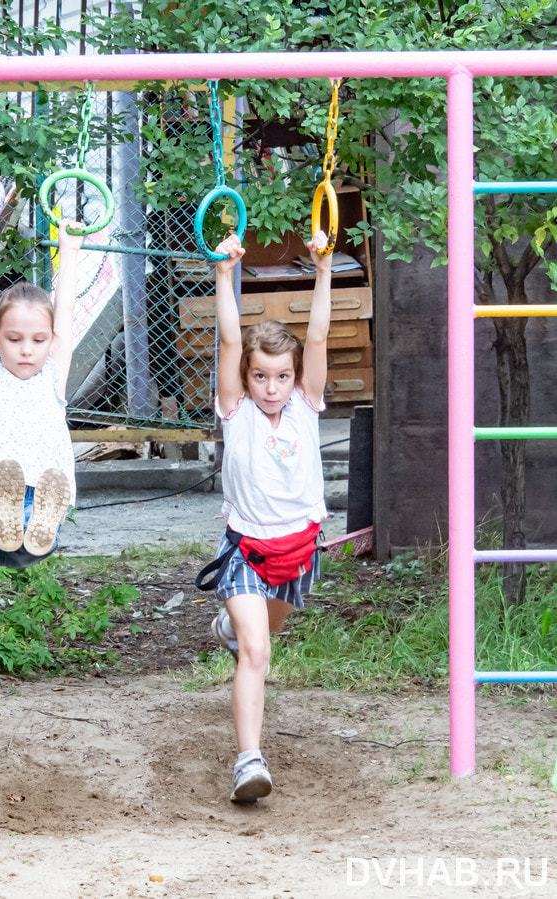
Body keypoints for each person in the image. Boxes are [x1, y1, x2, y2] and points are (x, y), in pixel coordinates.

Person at [205, 229, 333, 803]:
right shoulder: (238, 413)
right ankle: (248, 761)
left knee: (262, 632)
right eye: (262, 376)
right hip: (248, 551)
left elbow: (320, 334)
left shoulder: (306, 405)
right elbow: (230, 344)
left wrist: (324, 270)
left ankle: (230, 629)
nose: (272, 387)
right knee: (259, 652)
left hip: (299, 549)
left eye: (282, 376)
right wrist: (223, 273)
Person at [0, 217, 82, 568]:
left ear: (51, 340)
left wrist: (69, 250)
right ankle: (0, 520)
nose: (27, 350)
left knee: (35, 532)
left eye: (39, 340)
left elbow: (65, 309)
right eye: (14, 339)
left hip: (36, 502)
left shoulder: (53, 375)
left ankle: (26, 524)